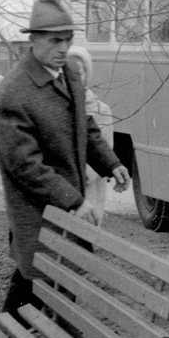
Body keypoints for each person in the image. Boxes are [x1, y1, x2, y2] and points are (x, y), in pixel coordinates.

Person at [0, 0, 131, 318]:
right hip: (36, 211)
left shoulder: (68, 72)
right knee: (41, 279)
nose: (63, 47)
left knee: (57, 280)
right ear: (33, 40)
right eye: (55, 40)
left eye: (68, 40)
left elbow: (86, 126)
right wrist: (74, 201)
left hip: (67, 208)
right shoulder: (13, 92)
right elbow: (25, 165)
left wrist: (112, 163)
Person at [65, 45, 110, 227]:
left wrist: (80, 175)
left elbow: (105, 149)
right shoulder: (57, 107)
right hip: (64, 190)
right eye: (69, 72)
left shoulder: (101, 110)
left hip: (89, 187)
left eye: (80, 72)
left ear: (87, 74)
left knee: (84, 238)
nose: (76, 77)